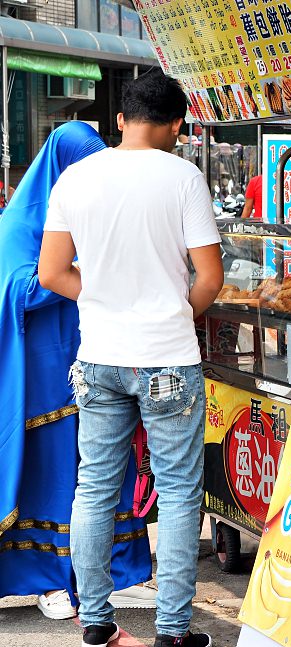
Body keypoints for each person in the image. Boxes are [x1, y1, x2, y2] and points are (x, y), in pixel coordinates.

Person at [38, 71, 223, 647]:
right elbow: (210, 277)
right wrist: (172, 316)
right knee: (176, 493)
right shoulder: (183, 176)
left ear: (119, 120)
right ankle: (172, 632)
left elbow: (52, 273)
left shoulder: (75, 176)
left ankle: (94, 624)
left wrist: (105, 300)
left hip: (97, 358)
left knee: (92, 490)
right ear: (175, 125)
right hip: (168, 359)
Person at [0, 122, 155, 621]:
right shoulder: (20, 222)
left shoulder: (89, 208)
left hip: (94, 358)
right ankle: (46, 581)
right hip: (40, 377)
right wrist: (71, 271)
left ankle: (94, 578)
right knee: (49, 474)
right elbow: (17, 290)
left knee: (96, 473)